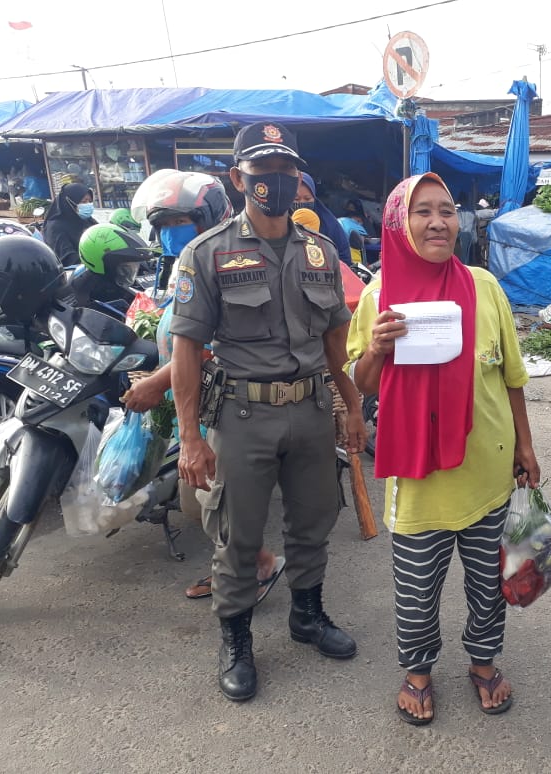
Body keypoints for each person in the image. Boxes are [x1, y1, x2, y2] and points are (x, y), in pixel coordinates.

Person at [169, 121, 366, 703]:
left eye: (286, 172)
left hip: (308, 410)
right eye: (263, 173)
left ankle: (307, 616)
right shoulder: (207, 254)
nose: (276, 184)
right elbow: (186, 350)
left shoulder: (320, 252)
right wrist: (190, 437)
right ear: (238, 178)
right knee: (238, 534)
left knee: (313, 521)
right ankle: (236, 640)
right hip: (242, 416)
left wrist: (351, 404)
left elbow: (336, 338)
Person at [348, 172, 539, 726]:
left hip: (487, 470)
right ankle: (418, 673)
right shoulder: (381, 296)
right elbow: (361, 383)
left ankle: (483, 663)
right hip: (418, 476)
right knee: (416, 588)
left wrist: (525, 445)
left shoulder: (484, 286)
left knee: (488, 582)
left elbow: (511, 375)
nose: (437, 222)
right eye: (422, 211)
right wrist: (379, 348)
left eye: (447, 210)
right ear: (397, 224)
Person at [122, 169, 285, 604]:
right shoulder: (182, 264)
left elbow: (213, 344)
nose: (171, 234)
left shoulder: (227, 261)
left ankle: (256, 564)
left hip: (223, 402)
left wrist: (157, 382)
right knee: (203, 495)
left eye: (180, 223)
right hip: (189, 398)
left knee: (204, 499)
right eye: (164, 226)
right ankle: (240, 563)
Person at [71, 223, 153, 312]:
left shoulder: (113, 283)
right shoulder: (84, 296)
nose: (132, 271)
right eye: (125, 269)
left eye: (135, 266)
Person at [293, 173, 352, 266]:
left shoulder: (330, 225)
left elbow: (344, 259)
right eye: (296, 199)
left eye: (307, 198)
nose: (302, 202)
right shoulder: (279, 222)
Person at [43, 182, 96, 267]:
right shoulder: (54, 227)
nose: (88, 205)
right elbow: (67, 258)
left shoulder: (87, 220)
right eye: (84, 201)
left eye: (90, 201)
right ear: (69, 202)